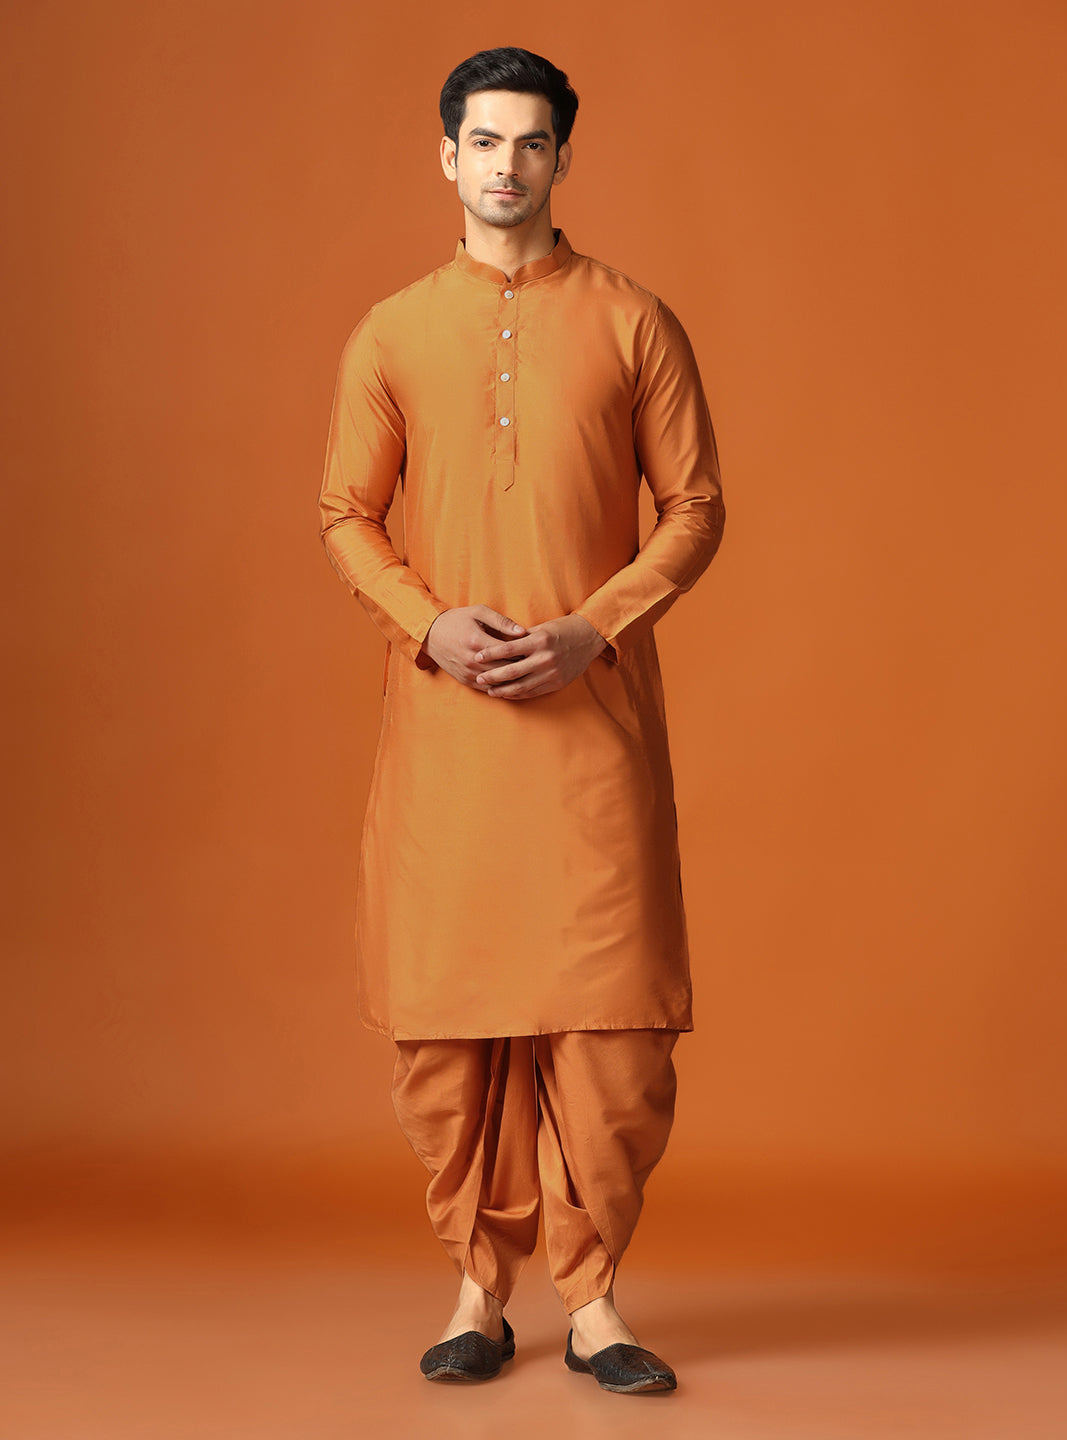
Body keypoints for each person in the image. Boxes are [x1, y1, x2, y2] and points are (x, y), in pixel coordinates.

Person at [318, 46, 724, 1395]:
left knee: (613, 1035)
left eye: (531, 142)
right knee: (450, 1034)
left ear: (562, 159)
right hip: (450, 738)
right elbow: (346, 513)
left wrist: (592, 628)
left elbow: (694, 508)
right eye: (484, 142)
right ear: (448, 156)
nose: (507, 165)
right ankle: (478, 1294)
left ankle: (595, 1303)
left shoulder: (632, 322)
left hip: (591, 729)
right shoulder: (391, 333)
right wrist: (425, 623)